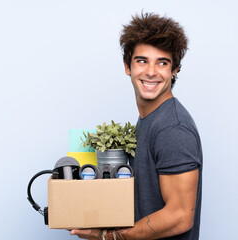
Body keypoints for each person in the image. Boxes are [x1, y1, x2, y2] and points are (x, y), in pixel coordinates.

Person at [71, 12, 203, 240]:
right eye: (142, 61)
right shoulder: (149, 120)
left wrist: (108, 236)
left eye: (163, 63)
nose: (151, 72)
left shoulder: (173, 128)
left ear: (174, 71)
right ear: (127, 66)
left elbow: (180, 216)